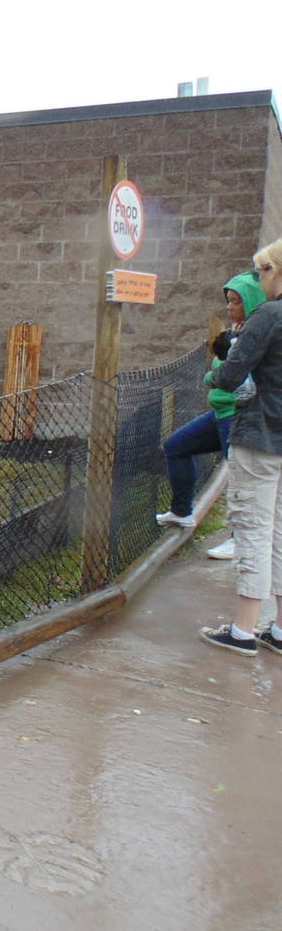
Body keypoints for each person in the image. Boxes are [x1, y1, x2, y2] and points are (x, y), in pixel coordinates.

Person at [200, 240, 282, 655]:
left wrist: (216, 374)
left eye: (263, 271)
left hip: (261, 435)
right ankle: (280, 631)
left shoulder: (269, 315)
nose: (261, 279)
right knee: (281, 532)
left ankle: (244, 630)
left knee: (252, 529)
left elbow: (232, 375)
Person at [156, 270, 265, 561]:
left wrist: (213, 376)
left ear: (252, 301)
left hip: (238, 414)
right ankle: (181, 512)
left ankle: (240, 539)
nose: (229, 308)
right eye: (228, 301)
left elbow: (228, 376)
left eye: (236, 302)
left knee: (241, 477)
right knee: (177, 446)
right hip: (220, 412)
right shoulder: (236, 331)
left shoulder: (255, 334)